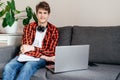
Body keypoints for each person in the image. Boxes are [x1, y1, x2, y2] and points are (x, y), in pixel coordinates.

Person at [2, 1, 59, 80]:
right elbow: (25, 48)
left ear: (48, 14)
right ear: (36, 14)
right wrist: (45, 56)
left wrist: (33, 48)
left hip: (40, 59)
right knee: (9, 67)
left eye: (45, 13)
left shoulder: (53, 30)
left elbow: (51, 51)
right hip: (26, 55)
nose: (42, 15)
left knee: (28, 66)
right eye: (40, 13)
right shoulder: (28, 27)